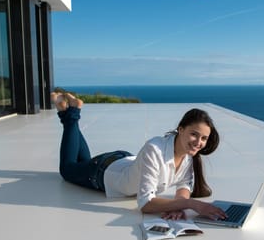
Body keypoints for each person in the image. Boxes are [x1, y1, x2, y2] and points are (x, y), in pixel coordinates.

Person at [51, 92, 227, 221]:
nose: (199, 142)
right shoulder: (155, 148)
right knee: (67, 169)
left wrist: (180, 204)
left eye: (204, 138)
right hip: (103, 172)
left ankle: (70, 111)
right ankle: (70, 113)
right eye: (194, 134)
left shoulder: (189, 155)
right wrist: (191, 205)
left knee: (83, 161)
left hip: (122, 161)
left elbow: (183, 185)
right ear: (181, 129)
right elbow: (145, 204)